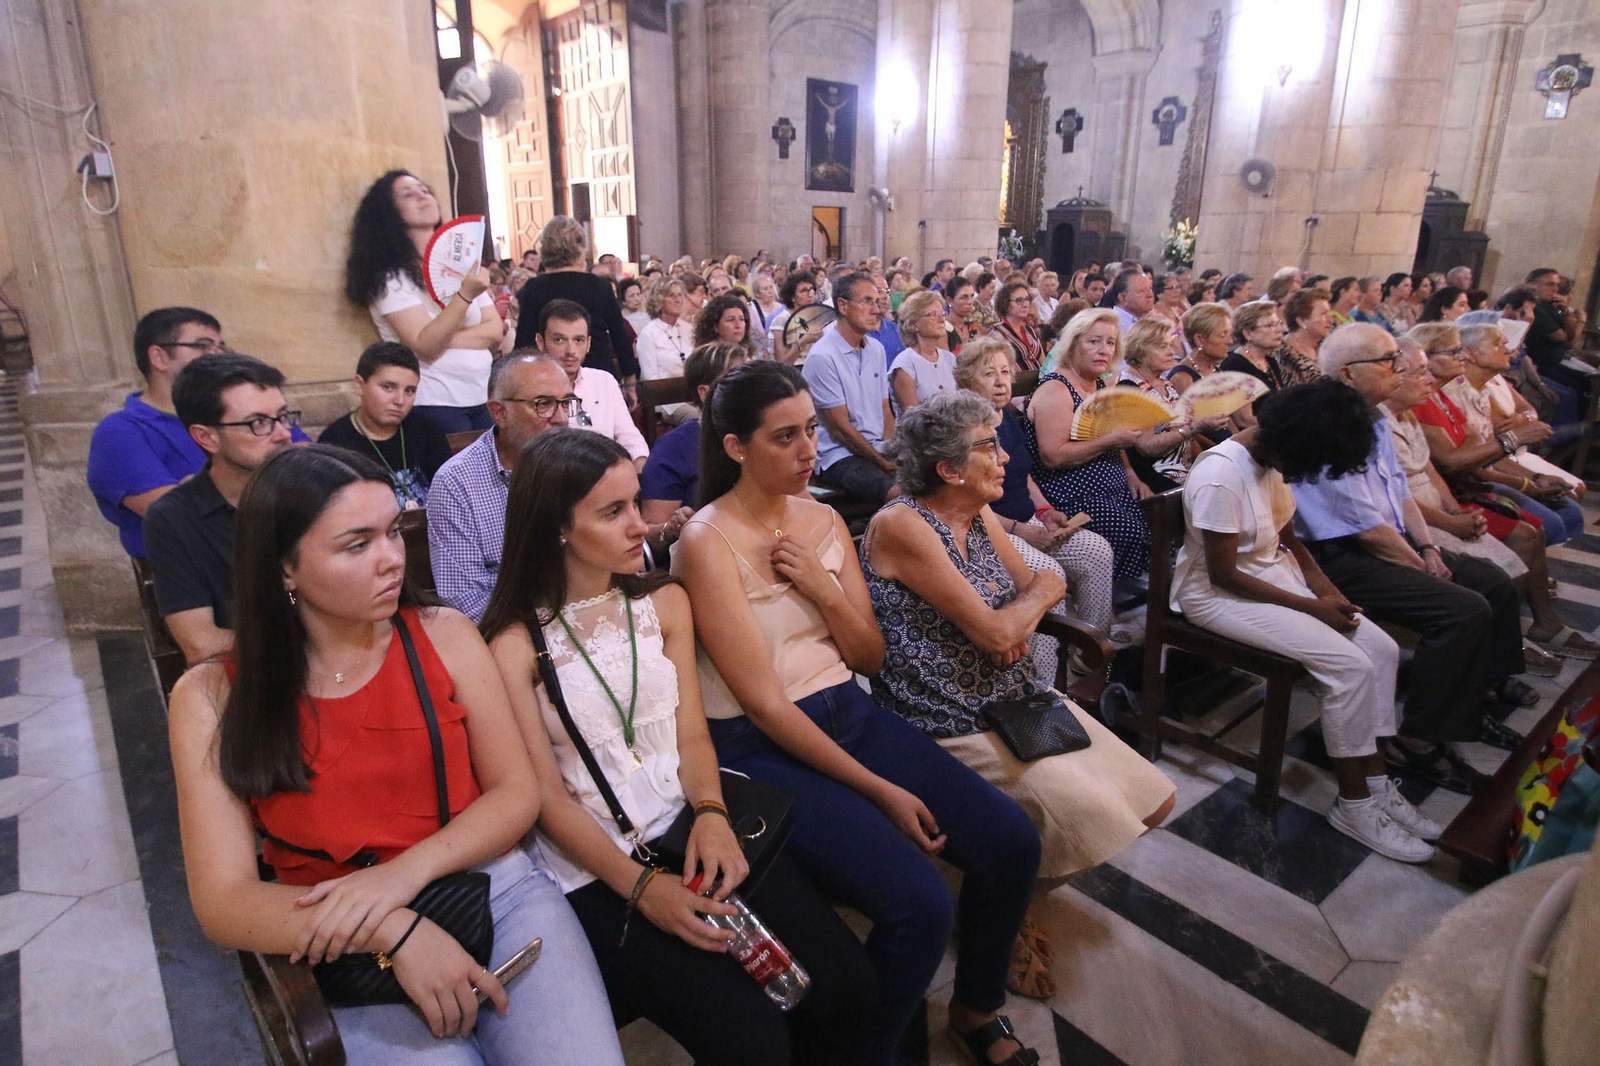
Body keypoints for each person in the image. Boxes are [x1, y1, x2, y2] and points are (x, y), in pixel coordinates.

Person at [167, 444, 626, 1066]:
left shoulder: (443, 633)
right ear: (283, 569)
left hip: (489, 888)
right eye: (357, 545)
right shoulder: (213, 695)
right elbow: (224, 901)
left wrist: (402, 875)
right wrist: (391, 924)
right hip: (337, 924)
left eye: (392, 531)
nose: (391, 558)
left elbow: (515, 795)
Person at [673, 360, 1046, 1066]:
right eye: (784, 438)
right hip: (762, 744)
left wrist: (824, 589)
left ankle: (976, 1008)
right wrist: (879, 790)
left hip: (846, 707)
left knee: (1009, 842)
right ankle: (860, 1052)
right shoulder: (706, 540)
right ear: (735, 447)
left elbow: (869, 656)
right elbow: (763, 701)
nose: (809, 450)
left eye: (811, 430)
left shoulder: (820, 519)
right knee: (919, 905)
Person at [479, 430, 876, 1066]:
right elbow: (545, 798)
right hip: (599, 861)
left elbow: (690, 732)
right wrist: (642, 889)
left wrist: (714, 817)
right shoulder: (515, 645)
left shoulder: (663, 599)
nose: (641, 524)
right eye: (612, 513)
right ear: (556, 527)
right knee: (749, 1039)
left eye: (636, 502)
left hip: (694, 818)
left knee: (844, 988)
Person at [863, 391, 1174, 991]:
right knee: (1089, 814)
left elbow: (1046, 578)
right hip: (945, 714)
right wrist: (1011, 620)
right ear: (949, 469)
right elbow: (998, 625)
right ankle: (995, 907)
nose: (1006, 457)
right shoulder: (903, 522)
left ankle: (1002, 892)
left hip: (1017, 699)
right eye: (988, 446)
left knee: (1153, 803)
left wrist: (1019, 617)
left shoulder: (975, 512)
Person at [1173, 381, 1439, 860]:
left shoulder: (1274, 457)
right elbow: (1224, 574)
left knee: (1381, 649)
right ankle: (1354, 805)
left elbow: (1289, 539)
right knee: (1349, 668)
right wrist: (1311, 609)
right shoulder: (1220, 475)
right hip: (1216, 596)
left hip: (1273, 578)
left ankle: (1376, 784)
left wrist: (1325, 590)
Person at [1290, 325, 1530, 792]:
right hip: (1338, 558)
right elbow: (1364, 527)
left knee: (1492, 582)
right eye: (1386, 360)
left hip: (1387, 541)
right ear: (1348, 373)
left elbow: (1397, 492)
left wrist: (1429, 547)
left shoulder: (1375, 418)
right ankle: (1417, 741)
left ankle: (1474, 700)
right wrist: (1420, 565)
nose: (1398, 367)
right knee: (1461, 608)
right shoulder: (1327, 427)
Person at [1382, 340, 1582, 672]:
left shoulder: (1416, 407)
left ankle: (1502, 646)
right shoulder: (1388, 418)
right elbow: (1442, 468)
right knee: (1508, 556)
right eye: (1422, 371)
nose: (1429, 379)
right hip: (1416, 517)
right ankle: (1489, 655)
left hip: (1443, 502)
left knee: (1528, 539)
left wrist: (1453, 509)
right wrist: (1521, 475)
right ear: (1395, 375)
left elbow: (1433, 465)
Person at [957, 337, 1117, 652]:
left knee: (1097, 551)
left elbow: (1023, 474)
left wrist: (1045, 511)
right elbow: (967, 505)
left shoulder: (1007, 419)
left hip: (1028, 520)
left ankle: (1089, 655)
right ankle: (1043, 677)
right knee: (1046, 577)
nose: (1001, 382)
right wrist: (1023, 531)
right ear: (965, 381)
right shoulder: (966, 430)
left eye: (1005, 372)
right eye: (989, 374)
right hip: (990, 531)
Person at [144, 353, 301, 665]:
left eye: (283, 416)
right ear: (207, 437)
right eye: (258, 423)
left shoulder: (315, 487)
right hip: (256, 676)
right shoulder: (173, 518)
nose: (283, 433)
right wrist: (310, 640)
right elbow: (201, 644)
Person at [345, 171, 505, 433]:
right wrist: (464, 296)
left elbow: (494, 329)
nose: (423, 197)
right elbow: (426, 347)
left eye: (425, 191)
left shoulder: (461, 264)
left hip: (482, 394)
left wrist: (437, 336)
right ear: (389, 212)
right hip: (436, 401)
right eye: (408, 194)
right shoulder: (391, 278)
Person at [428, 354, 575, 622]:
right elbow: (465, 601)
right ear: (499, 413)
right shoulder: (457, 482)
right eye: (544, 404)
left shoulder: (581, 463)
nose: (562, 419)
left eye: (567, 403)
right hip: (512, 633)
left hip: (587, 612)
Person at [1025, 309, 1153, 579]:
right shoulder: (1056, 389)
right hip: (1071, 493)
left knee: (1159, 516)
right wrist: (1110, 440)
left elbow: (1114, 439)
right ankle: (1115, 606)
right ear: (1073, 344)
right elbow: (1053, 457)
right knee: (1129, 531)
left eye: (1110, 342)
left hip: (1111, 487)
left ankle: (1148, 599)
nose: (1103, 350)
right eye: (1094, 341)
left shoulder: (1099, 385)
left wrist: (1130, 472)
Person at [88, 307, 225, 557]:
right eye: (203, 345)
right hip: (195, 572)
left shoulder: (234, 411)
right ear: (159, 357)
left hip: (261, 552)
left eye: (220, 347)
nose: (217, 356)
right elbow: (176, 512)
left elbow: (302, 464)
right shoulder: (120, 432)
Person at [1436, 323, 1586, 546]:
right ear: (1470, 354)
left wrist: (1536, 478)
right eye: (1497, 344)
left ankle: (1533, 567)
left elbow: (1494, 452)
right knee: (1547, 524)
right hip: (1466, 482)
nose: (1507, 349)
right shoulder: (1452, 393)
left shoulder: (1483, 389)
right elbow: (1473, 465)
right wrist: (1527, 484)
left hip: (1492, 470)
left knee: (1570, 508)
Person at [512, 217, 639, 399]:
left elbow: (524, 345)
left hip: (550, 380)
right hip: (598, 377)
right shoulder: (600, 286)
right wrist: (630, 381)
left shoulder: (534, 288)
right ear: (580, 247)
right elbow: (620, 337)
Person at [804, 273, 901, 506]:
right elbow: (841, 428)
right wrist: (882, 462)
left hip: (875, 448)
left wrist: (891, 448)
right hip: (839, 456)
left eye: (877, 302)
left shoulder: (875, 349)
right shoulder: (823, 356)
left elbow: (885, 408)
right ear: (843, 305)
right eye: (867, 301)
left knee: (937, 480)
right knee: (903, 497)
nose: (876, 310)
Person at [319, 342, 452, 511]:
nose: (400, 401)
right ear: (359, 385)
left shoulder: (427, 430)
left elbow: (450, 493)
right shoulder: (335, 442)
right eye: (388, 387)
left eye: (409, 391)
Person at [639, 343, 747, 549]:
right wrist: (671, 528)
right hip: (699, 553)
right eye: (737, 381)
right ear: (705, 392)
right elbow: (646, 535)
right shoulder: (672, 448)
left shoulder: (757, 435)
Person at [536, 301, 649, 469]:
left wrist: (640, 466)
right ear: (540, 342)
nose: (570, 350)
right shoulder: (529, 389)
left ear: (588, 344)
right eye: (559, 340)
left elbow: (629, 436)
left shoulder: (603, 381)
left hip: (608, 479)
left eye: (578, 340)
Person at [1119, 319, 1224, 492]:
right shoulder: (1129, 390)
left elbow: (1180, 431)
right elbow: (1147, 446)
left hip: (1184, 470)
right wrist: (1195, 427)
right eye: (1162, 347)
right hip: (1157, 478)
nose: (1171, 352)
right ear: (1140, 349)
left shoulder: (1164, 382)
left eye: (1170, 345)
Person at [888, 291, 959, 414]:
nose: (941, 319)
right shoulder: (905, 365)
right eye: (933, 314)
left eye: (942, 313)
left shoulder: (950, 359)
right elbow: (912, 418)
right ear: (913, 324)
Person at [1524, 268, 1591, 396]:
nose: (1555, 289)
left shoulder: (1550, 307)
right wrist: (1580, 321)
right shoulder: (1535, 308)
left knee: (1587, 381)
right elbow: (1562, 338)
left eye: (1556, 285)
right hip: (1541, 365)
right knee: (1573, 390)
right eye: (1550, 285)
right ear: (1532, 285)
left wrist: (1565, 311)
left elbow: (1569, 339)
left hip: (1556, 360)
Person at [1168, 302, 1232, 397]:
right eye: (1222, 335)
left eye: (1229, 334)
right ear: (1200, 340)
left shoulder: (1215, 371)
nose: (1230, 341)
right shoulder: (1183, 378)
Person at [1278, 288, 1333, 386]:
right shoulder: (1284, 354)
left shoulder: (1328, 347)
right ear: (1302, 321)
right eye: (1324, 314)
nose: (1330, 320)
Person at [990, 280, 1045, 373]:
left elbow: (1043, 361)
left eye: (1027, 299)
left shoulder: (1029, 330)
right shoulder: (997, 333)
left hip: (1039, 381)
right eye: (1019, 300)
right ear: (1006, 304)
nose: (1025, 304)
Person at [769, 270, 818, 364]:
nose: (810, 294)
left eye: (811, 289)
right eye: (804, 291)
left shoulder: (814, 316)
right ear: (792, 296)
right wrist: (802, 342)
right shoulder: (782, 320)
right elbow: (781, 362)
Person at [694, 292, 755, 360]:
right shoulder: (705, 358)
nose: (738, 325)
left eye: (742, 319)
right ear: (715, 326)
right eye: (730, 320)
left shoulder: (746, 354)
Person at [863, 273, 906, 363]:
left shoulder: (897, 330)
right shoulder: (857, 332)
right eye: (879, 291)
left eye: (887, 291)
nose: (885, 296)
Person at [942, 276, 982, 353]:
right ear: (949, 300)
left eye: (972, 296)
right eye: (963, 297)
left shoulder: (973, 327)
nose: (970, 302)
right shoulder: (943, 329)